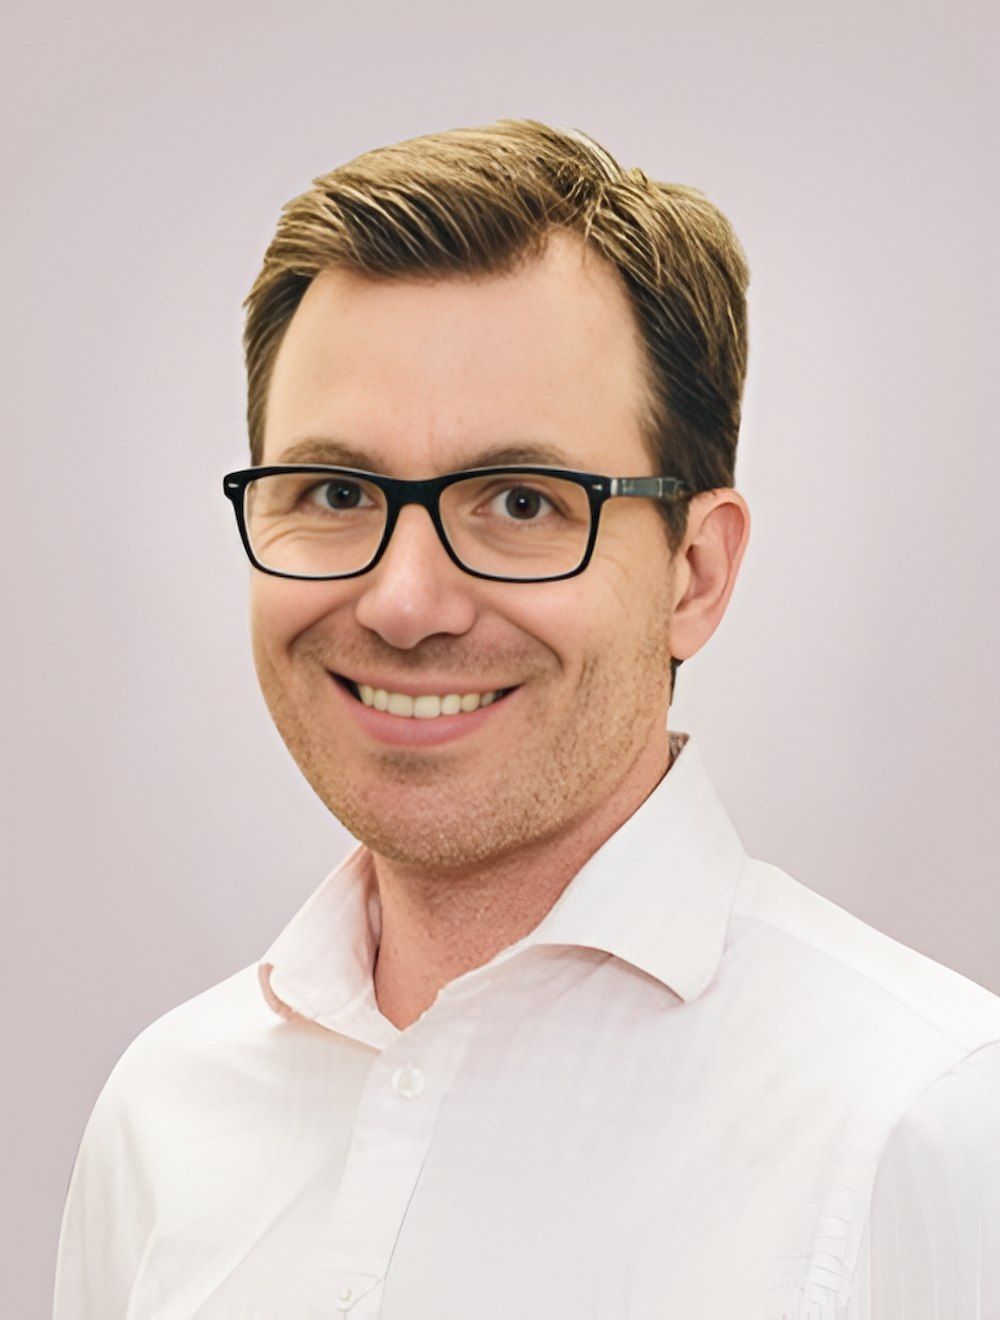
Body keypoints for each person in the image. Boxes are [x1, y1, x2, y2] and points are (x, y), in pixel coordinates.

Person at [54, 119, 999, 1320]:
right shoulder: (163, 1113)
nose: (404, 604)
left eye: (519, 501)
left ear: (694, 574)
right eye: (335, 493)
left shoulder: (934, 1125)